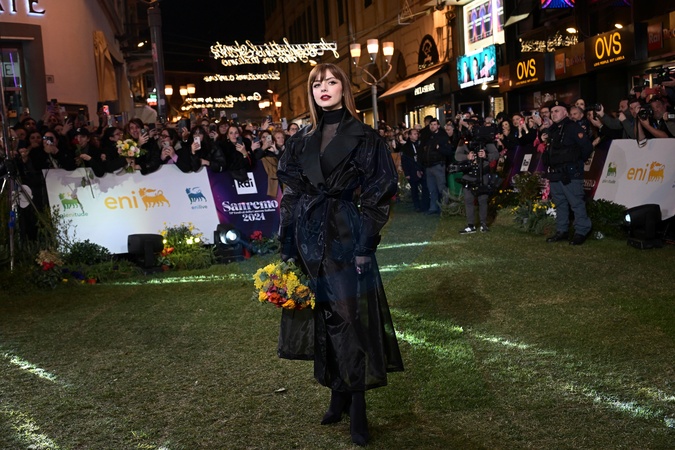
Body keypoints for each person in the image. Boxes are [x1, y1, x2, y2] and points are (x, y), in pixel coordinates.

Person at [276, 63, 404, 447]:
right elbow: (292, 195)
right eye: (318, 83)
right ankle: (337, 395)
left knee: (350, 320)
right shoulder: (300, 140)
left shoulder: (365, 137)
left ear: (343, 88)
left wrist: (365, 245)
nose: (324, 88)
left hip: (345, 234)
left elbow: (379, 192)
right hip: (308, 236)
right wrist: (287, 246)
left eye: (331, 82)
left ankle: (358, 405)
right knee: (323, 316)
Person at [541, 101, 593, 245]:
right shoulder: (553, 130)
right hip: (556, 173)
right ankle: (562, 230)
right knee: (560, 204)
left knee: (576, 203)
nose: (553, 114)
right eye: (552, 111)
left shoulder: (573, 127)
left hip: (571, 173)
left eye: (557, 111)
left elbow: (587, 147)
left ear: (565, 112)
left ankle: (581, 231)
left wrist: (576, 162)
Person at [455, 129, 499, 233]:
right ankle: (470, 225)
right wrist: (467, 157)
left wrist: (486, 155)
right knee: (468, 200)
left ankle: (483, 224)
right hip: (468, 174)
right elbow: (457, 155)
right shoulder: (464, 140)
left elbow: (496, 154)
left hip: (482, 174)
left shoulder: (486, 139)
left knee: (483, 199)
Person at [419, 118, 453, 215]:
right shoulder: (429, 137)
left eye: (434, 124)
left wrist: (439, 148)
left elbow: (448, 151)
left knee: (441, 188)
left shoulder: (443, 137)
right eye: (431, 124)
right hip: (429, 166)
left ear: (438, 126)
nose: (432, 126)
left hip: (438, 165)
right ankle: (433, 207)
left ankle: (444, 207)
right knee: (432, 189)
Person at [400, 128, 430, 212]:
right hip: (412, 170)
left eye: (417, 134)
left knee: (425, 187)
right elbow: (404, 161)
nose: (416, 135)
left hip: (422, 169)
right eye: (414, 134)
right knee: (414, 189)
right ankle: (417, 206)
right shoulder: (406, 147)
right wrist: (407, 173)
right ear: (410, 136)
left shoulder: (420, 145)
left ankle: (425, 205)